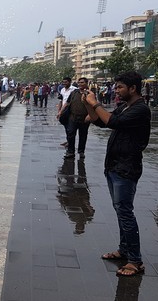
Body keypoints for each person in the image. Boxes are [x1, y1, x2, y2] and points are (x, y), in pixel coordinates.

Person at [82, 71, 151, 277]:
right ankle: (124, 249)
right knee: (120, 210)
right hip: (114, 165)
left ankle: (135, 261)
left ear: (133, 88)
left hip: (127, 167)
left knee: (125, 212)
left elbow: (114, 122)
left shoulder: (140, 109)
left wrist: (95, 103)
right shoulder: (125, 106)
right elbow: (101, 122)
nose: (116, 91)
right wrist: (87, 103)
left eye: (120, 87)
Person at [62, 78, 91, 159]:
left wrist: (90, 115)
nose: (80, 84)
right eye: (79, 82)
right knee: (70, 133)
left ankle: (81, 151)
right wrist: (61, 111)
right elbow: (67, 103)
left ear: (86, 83)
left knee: (83, 135)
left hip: (84, 118)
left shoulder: (90, 93)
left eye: (82, 82)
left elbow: (94, 105)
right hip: (73, 117)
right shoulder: (74, 92)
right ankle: (70, 151)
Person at [57, 77, 77, 147]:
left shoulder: (74, 90)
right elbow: (61, 101)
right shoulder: (62, 90)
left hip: (72, 111)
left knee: (70, 128)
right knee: (66, 126)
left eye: (66, 82)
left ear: (70, 82)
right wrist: (59, 111)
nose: (64, 83)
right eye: (63, 82)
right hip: (64, 111)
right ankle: (68, 140)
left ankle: (70, 143)